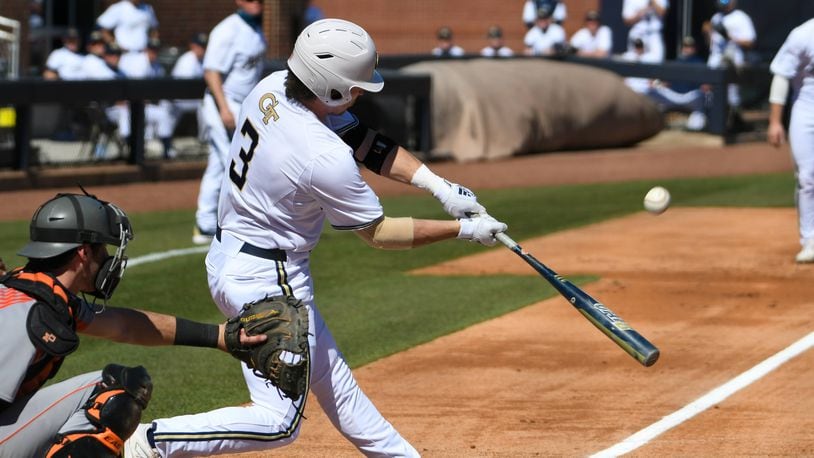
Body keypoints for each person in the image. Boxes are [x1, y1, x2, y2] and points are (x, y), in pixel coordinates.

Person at [124, 18, 507, 457]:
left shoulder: (271, 86)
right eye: (357, 87)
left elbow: (363, 139)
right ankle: (150, 442)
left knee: (337, 384)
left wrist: (438, 187)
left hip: (236, 256)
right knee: (279, 423)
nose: (362, 94)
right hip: (269, 280)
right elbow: (380, 234)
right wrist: (462, 229)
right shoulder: (322, 157)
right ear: (332, 89)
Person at [0, 192, 263, 457]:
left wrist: (218, 336)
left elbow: (126, 325)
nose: (107, 258)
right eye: (102, 248)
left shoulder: (41, 294)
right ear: (83, 252)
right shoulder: (27, 313)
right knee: (113, 391)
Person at [193, 0, 267, 245]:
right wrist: (224, 107)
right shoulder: (227, 29)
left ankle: (204, 223)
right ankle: (239, 221)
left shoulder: (255, 28)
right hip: (223, 101)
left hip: (243, 103)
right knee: (236, 162)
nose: (256, 3)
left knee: (218, 164)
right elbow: (211, 71)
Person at [767, 18, 814, 263]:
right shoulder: (803, 34)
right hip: (806, 111)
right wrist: (775, 122)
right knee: (807, 176)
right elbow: (782, 76)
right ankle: (810, 240)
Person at [622, 37, 707, 131]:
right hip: (673, 96)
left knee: (701, 97)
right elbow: (665, 82)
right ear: (682, 47)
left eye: (691, 46)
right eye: (686, 46)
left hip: (691, 97)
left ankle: (696, 124)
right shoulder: (677, 61)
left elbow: (706, 85)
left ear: (695, 48)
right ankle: (655, 120)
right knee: (652, 92)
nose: (688, 49)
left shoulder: (699, 62)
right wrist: (659, 84)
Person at [702, 0, 755, 114]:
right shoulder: (716, 17)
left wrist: (730, 37)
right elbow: (711, 43)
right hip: (715, 58)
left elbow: (750, 42)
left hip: (733, 58)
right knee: (709, 91)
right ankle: (710, 119)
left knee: (732, 94)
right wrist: (707, 33)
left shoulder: (741, 17)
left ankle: (733, 121)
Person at [95, 0, 159, 78]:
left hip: (143, 55)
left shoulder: (148, 9)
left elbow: (154, 29)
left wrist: (151, 48)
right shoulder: (119, 8)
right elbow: (102, 28)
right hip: (125, 56)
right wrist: (114, 44)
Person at [168, 33, 208, 148]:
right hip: (178, 98)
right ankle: (165, 141)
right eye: (200, 46)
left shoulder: (204, 59)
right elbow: (185, 87)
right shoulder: (187, 61)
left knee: (206, 105)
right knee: (204, 105)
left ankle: (204, 140)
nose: (202, 49)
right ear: (193, 46)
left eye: (204, 46)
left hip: (192, 99)